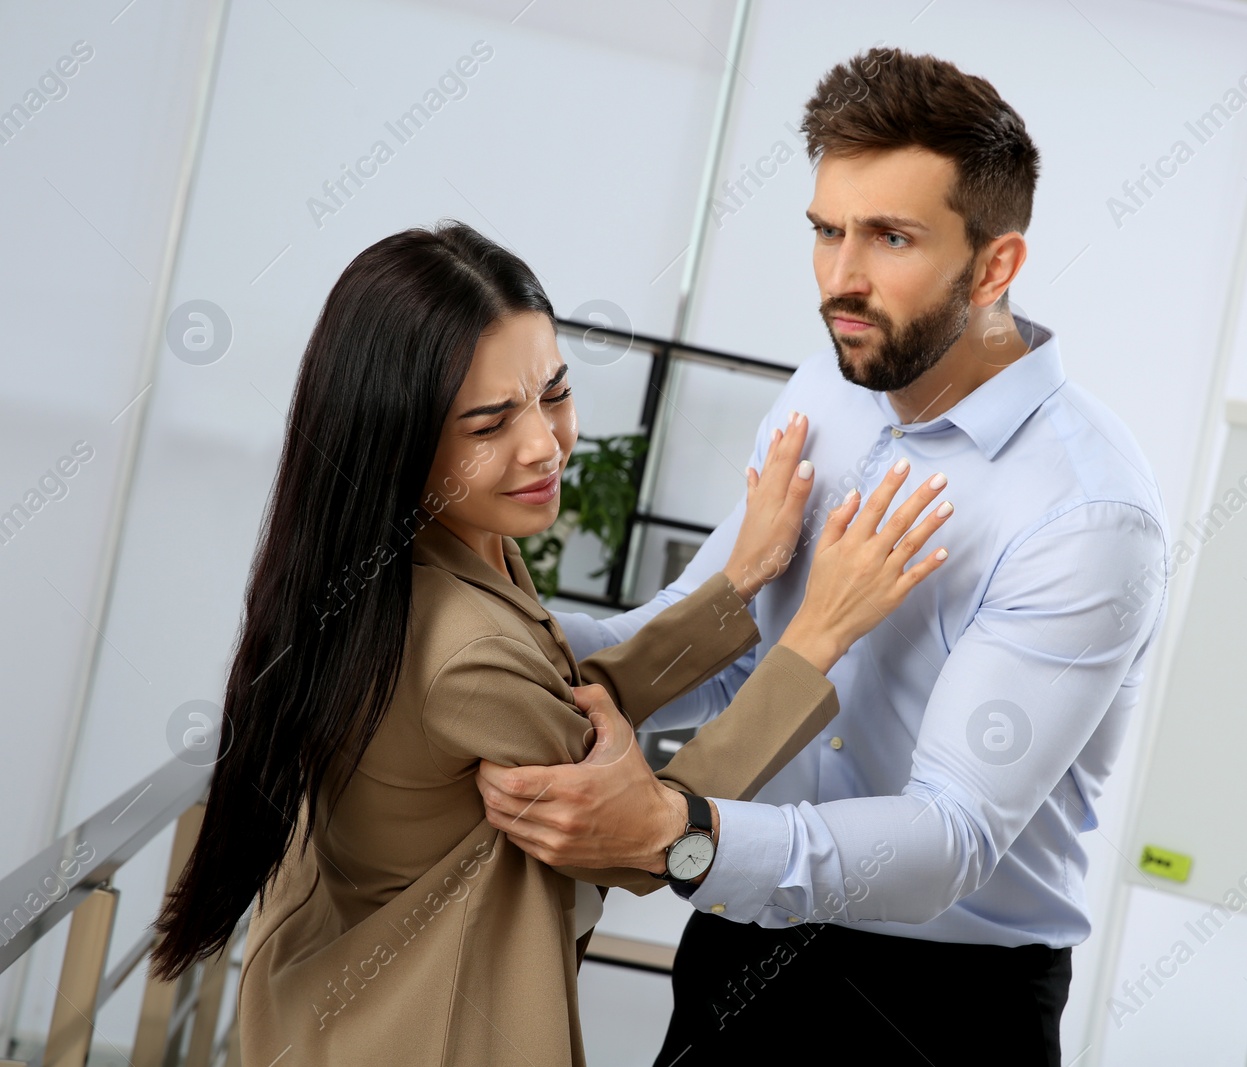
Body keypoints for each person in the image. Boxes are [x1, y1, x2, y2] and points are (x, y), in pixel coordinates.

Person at [476, 49, 1170, 1066]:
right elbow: (707, 642)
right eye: (825, 230)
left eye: (890, 237)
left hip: (940, 1005)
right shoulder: (826, 386)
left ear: (995, 266)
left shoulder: (1086, 513)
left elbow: (949, 838)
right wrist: (469, 631)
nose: (841, 277)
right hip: (739, 938)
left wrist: (678, 827)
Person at [145, 221, 957, 1065]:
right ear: (399, 439)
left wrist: (740, 584)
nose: (544, 445)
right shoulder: (460, 645)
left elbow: (559, 693)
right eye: (490, 423)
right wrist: (814, 636)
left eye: (555, 393)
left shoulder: (419, 553)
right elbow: (630, 840)